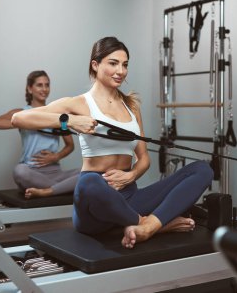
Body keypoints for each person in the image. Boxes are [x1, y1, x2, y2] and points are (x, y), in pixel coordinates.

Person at [11, 38, 214, 248]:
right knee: (89, 182)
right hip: (94, 204)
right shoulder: (78, 103)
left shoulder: (131, 106)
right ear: (95, 64)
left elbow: (144, 159)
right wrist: (69, 120)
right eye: (113, 63)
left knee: (202, 170)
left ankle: (147, 228)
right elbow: (18, 119)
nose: (121, 71)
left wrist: (131, 175)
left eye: (125, 64)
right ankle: (150, 223)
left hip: (129, 196)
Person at [0, 70, 79, 198]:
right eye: (39, 85)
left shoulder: (58, 115)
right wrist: (26, 122)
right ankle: (62, 189)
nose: (44, 89)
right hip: (31, 172)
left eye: (47, 85)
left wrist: (56, 157)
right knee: (19, 171)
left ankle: (48, 190)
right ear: (29, 89)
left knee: (88, 172)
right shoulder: (21, 113)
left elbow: (70, 146)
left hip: (55, 172)